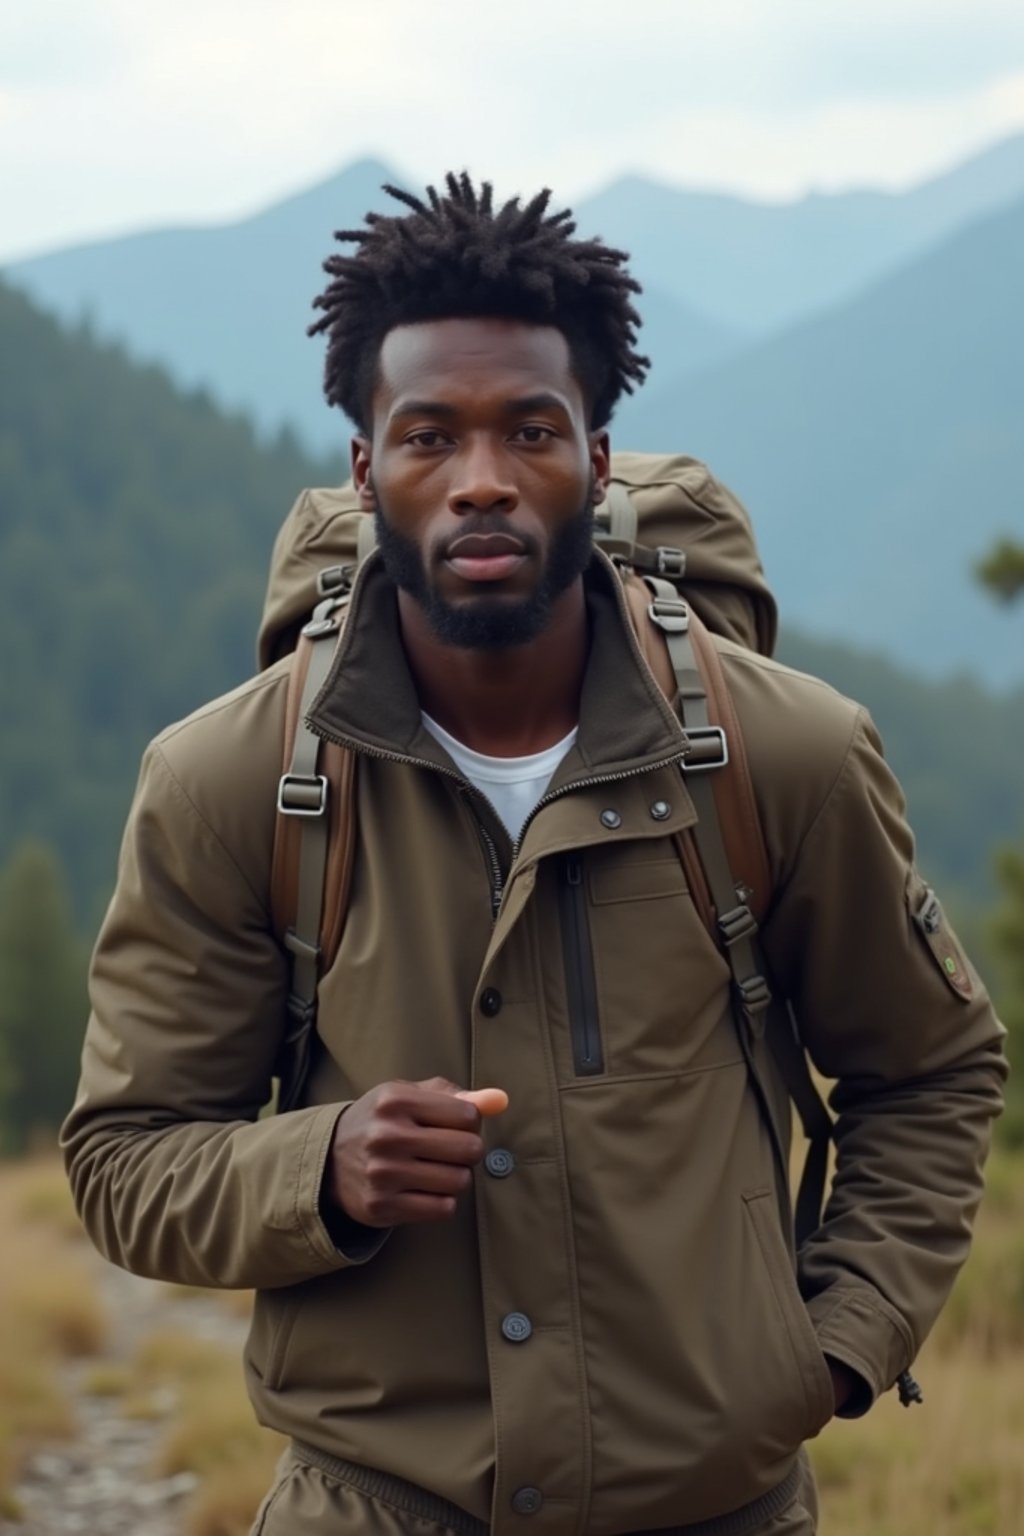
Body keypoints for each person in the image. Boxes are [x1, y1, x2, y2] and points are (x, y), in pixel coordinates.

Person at [62, 174, 1005, 1536]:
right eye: (429, 435)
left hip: (718, 1508)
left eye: (532, 431)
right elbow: (124, 1160)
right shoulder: (232, 783)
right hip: (370, 1506)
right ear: (363, 467)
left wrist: (841, 1345)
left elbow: (930, 1069)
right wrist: (317, 1169)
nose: (483, 480)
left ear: (600, 460)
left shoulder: (780, 755)